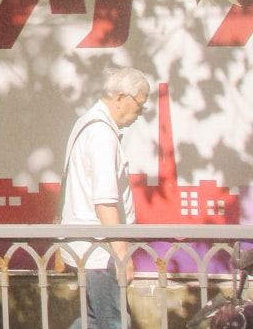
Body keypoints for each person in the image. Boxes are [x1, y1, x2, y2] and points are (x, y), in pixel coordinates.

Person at [60, 67, 151, 329]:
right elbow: (105, 200)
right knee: (114, 321)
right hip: (101, 250)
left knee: (92, 319)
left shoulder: (87, 123)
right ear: (121, 97)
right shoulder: (102, 136)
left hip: (88, 246)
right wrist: (121, 254)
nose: (140, 114)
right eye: (140, 106)